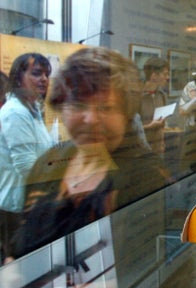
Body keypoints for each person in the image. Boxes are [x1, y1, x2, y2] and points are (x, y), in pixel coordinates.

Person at [9, 47, 171, 259]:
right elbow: (23, 239)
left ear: (125, 113)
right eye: (78, 104)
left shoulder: (148, 176)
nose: (91, 119)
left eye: (105, 108)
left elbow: (150, 266)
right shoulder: (48, 163)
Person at [0, 53, 54, 261]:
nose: (44, 79)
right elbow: (26, 166)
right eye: (36, 73)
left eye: (46, 74)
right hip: (18, 207)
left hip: (31, 202)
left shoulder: (31, 109)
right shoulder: (15, 112)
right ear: (18, 78)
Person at [138, 57, 170, 154]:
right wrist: (149, 126)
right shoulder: (137, 97)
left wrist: (162, 142)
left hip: (158, 151)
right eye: (165, 74)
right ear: (154, 75)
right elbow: (130, 131)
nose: (167, 77)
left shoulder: (162, 96)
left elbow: (162, 125)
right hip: (141, 152)